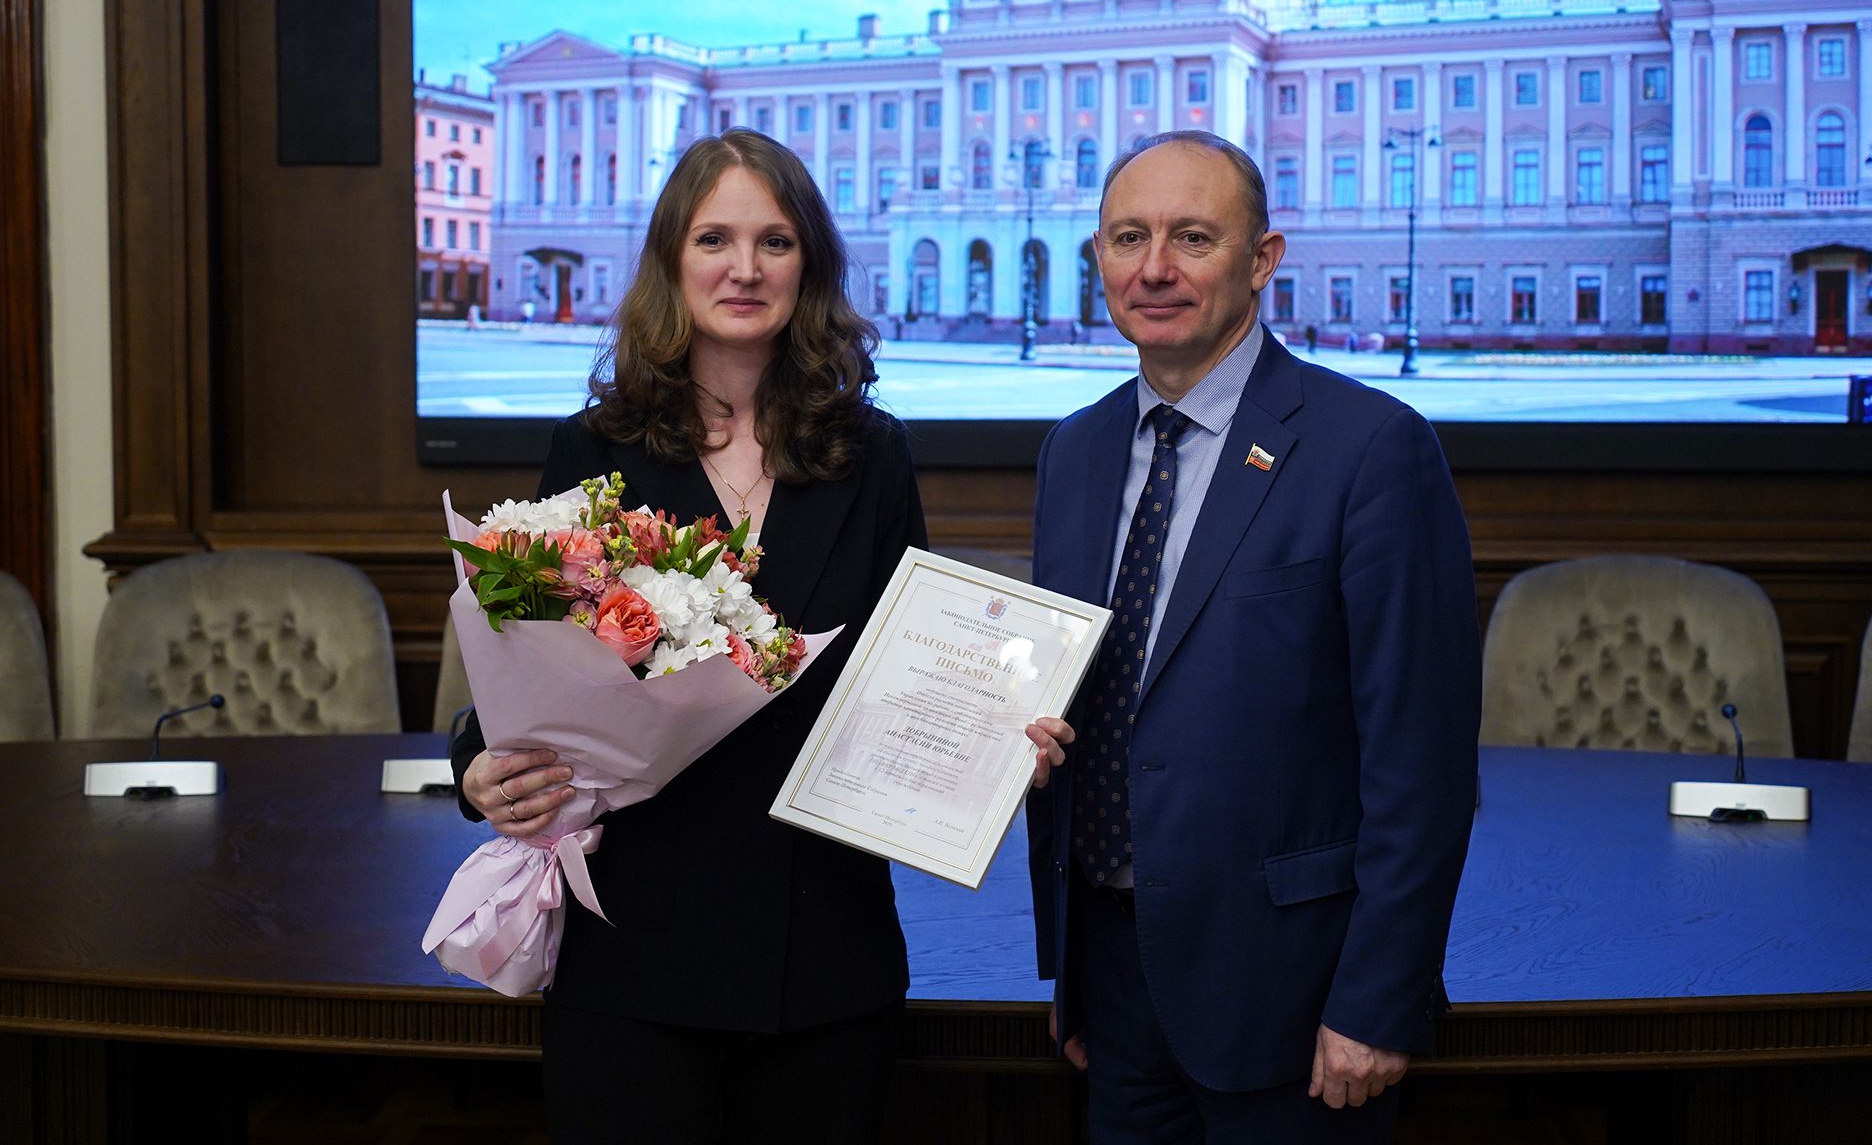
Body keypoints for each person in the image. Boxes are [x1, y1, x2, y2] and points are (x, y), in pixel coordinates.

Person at [451, 127, 1070, 1143]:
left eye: (775, 241)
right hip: (634, 943)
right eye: (715, 239)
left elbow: (910, 666)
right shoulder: (592, 446)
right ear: (672, 261)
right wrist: (477, 768)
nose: (745, 267)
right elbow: (527, 664)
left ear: (809, 266)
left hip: (825, 949)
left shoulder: (872, 454)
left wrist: (1001, 734)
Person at [1026, 130, 1480, 1143]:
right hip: (1114, 986)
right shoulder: (1077, 449)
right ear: (1097, 256)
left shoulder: (1371, 447)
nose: (1155, 268)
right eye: (1128, 236)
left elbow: (1424, 762)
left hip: (1297, 1002)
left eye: (1193, 236)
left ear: (1263, 260)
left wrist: (1377, 998)